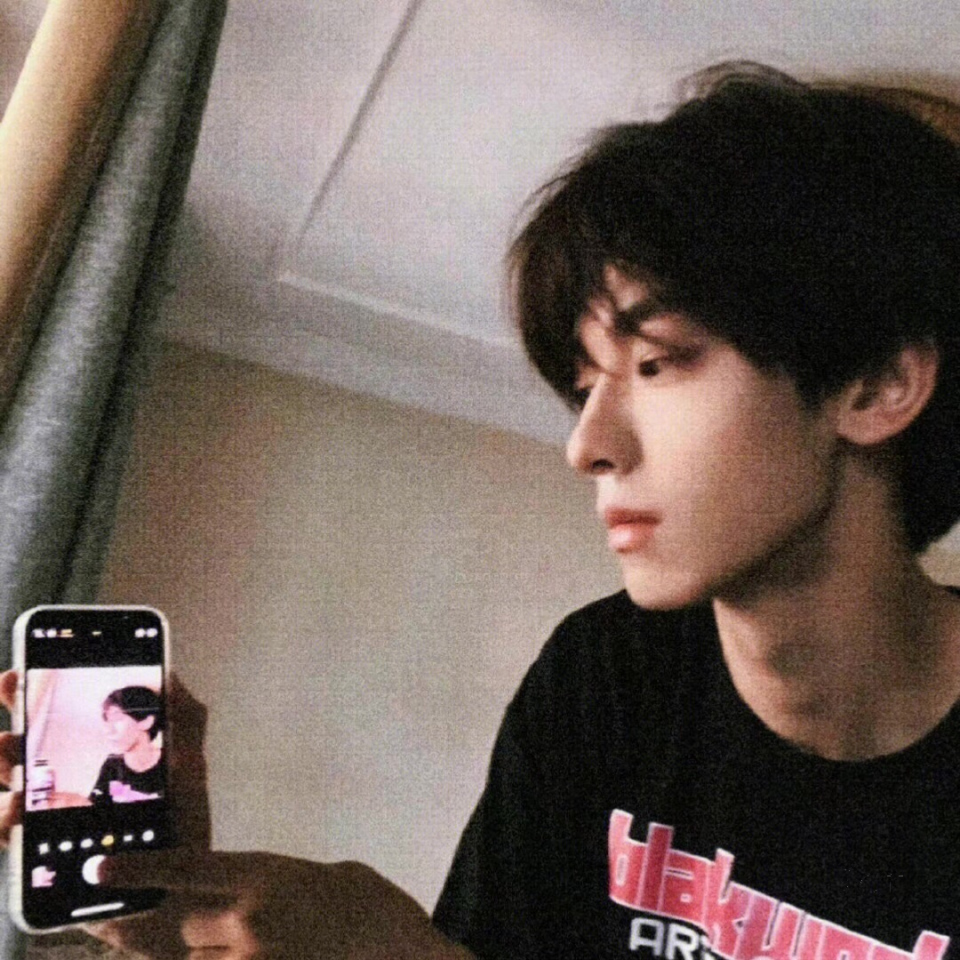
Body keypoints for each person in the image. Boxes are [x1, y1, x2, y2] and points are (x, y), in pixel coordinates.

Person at [2, 62, 960, 959]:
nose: (588, 445)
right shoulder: (608, 677)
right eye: (583, 387)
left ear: (876, 386)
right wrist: (186, 925)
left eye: (657, 363)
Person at [89, 686, 164, 805]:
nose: (108, 730)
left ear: (146, 722)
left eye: (117, 719)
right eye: (107, 721)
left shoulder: (171, 762)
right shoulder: (112, 765)